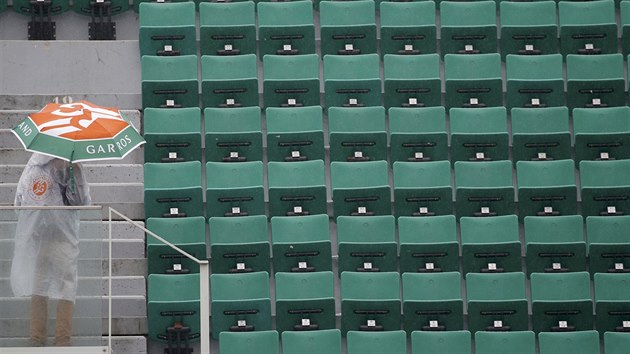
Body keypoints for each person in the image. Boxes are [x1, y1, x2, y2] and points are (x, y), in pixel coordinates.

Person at [10, 153, 92, 347]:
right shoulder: (67, 164)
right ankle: (60, 340)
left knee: (42, 286)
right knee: (62, 287)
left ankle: (38, 338)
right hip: (60, 237)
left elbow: (19, 201)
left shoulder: (32, 166)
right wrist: (73, 171)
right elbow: (81, 201)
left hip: (39, 236)